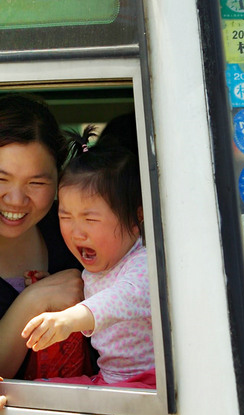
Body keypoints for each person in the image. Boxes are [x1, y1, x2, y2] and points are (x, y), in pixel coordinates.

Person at [21, 127, 156, 389]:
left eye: (90, 219)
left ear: (136, 219)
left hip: (148, 383)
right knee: (38, 393)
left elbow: (119, 299)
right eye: (65, 217)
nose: (76, 231)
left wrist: (69, 319)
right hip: (109, 379)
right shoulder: (100, 264)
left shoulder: (144, 264)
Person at [0, 94, 93, 380]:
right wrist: (34, 301)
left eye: (36, 183)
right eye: (0, 179)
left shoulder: (75, 232)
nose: (16, 200)